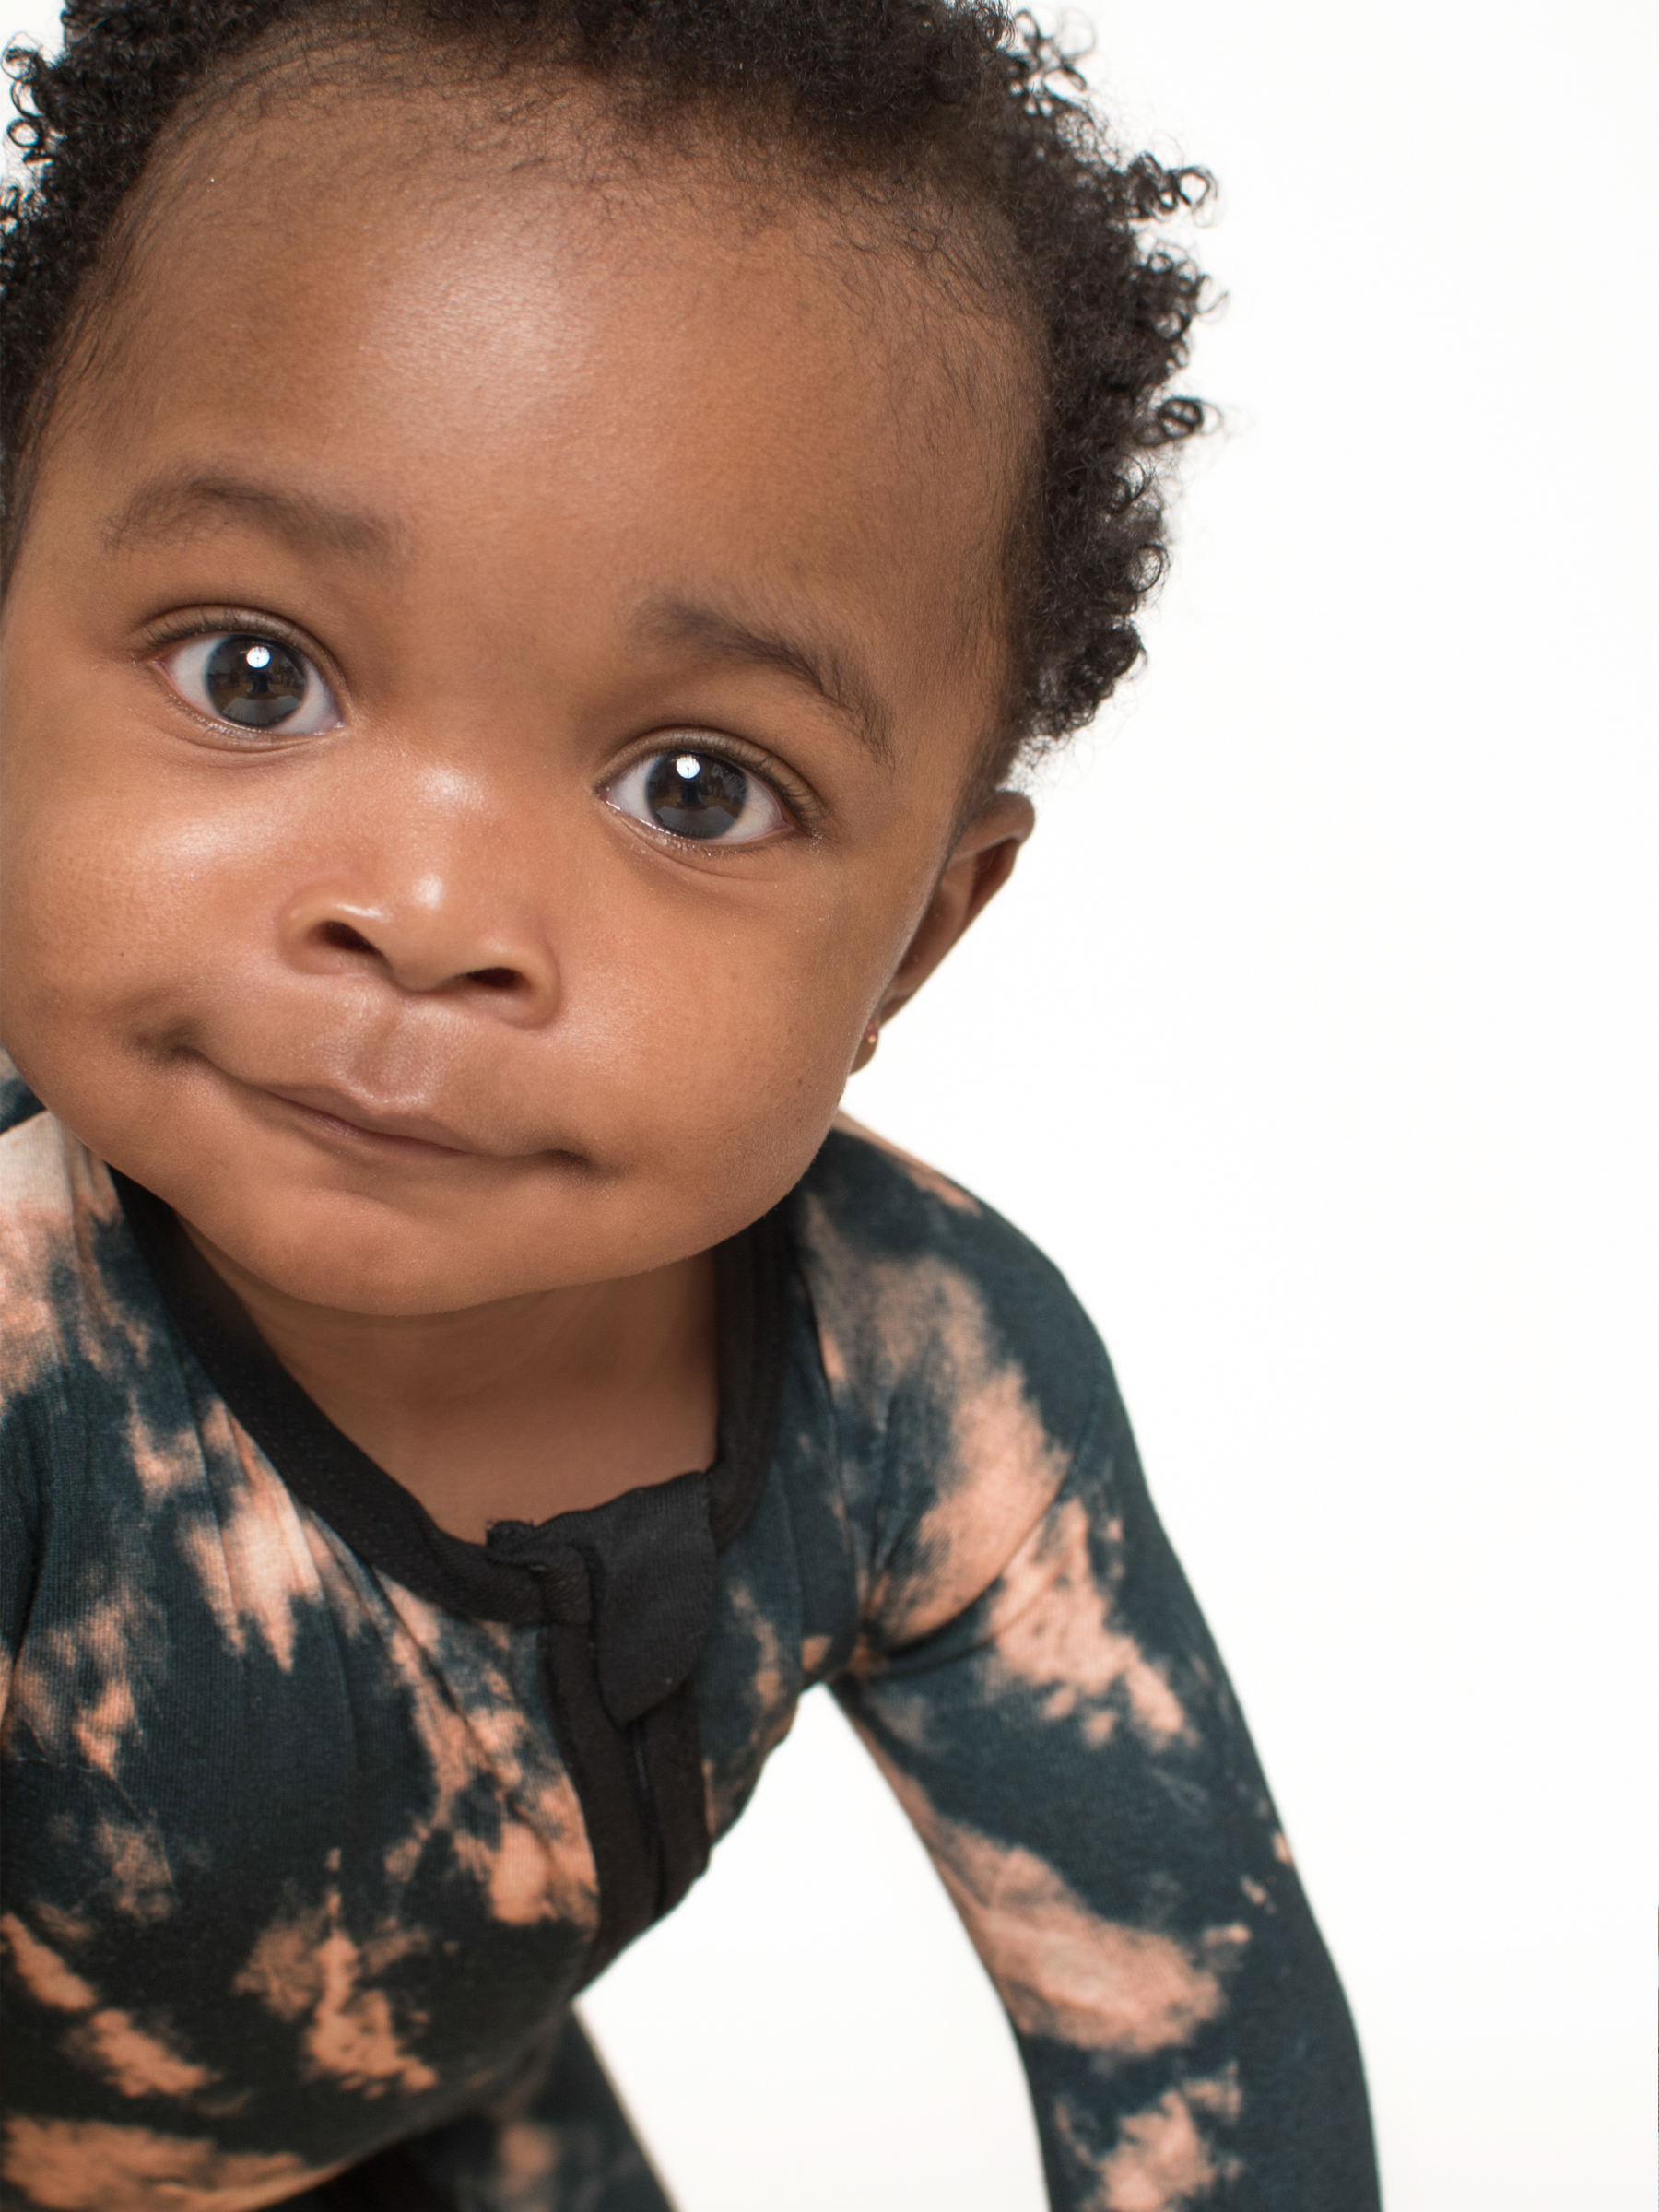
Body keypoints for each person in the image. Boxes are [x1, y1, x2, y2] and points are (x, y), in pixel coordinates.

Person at [0, 3, 1381, 2206]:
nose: (430, 912)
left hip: (418, 2139)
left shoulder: (922, 1378)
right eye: (253, 669)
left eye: (695, 789)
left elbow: (1199, 2044)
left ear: (920, 940)